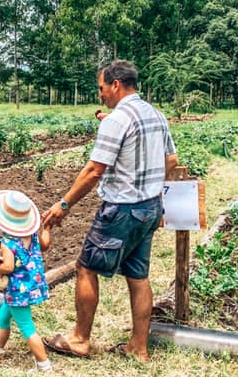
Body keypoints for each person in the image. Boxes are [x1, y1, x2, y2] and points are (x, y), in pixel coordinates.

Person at [40, 60, 178, 361]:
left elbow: (93, 171)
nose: (100, 94)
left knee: (87, 268)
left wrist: (64, 204)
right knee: (138, 277)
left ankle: (79, 340)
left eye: (101, 88)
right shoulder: (156, 115)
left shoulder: (116, 121)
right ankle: (138, 348)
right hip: (150, 207)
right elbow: (171, 161)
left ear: (116, 84)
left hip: (122, 210)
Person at [0, 189, 54, 373]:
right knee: (3, 315)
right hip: (32, 285)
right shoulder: (32, 235)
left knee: (27, 327)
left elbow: (8, 267)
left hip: (17, 290)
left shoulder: (8, 242)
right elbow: (45, 245)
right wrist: (47, 228)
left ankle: (44, 366)